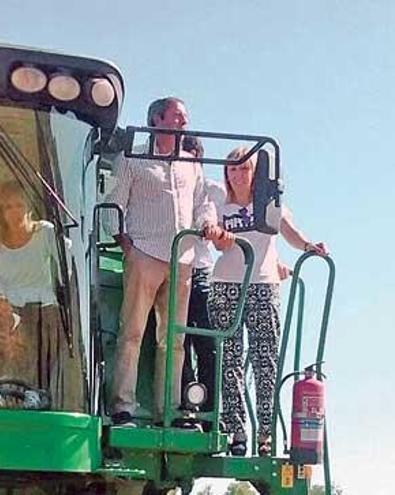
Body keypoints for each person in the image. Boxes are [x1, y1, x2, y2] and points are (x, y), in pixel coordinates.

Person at [104, 97, 232, 427]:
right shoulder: (132, 158)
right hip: (145, 255)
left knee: (174, 339)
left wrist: (207, 224)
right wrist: (128, 247)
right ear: (156, 120)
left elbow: (203, 203)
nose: (183, 124)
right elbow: (112, 207)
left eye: (184, 118)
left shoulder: (192, 164)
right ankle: (122, 407)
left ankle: (170, 409)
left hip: (183, 259)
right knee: (132, 332)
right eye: (177, 117)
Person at [209, 146, 328, 456]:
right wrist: (219, 237)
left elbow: (288, 232)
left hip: (262, 286)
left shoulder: (270, 205)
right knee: (230, 361)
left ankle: (265, 434)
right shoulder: (219, 203)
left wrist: (307, 246)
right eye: (231, 169)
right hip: (226, 285)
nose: (237, 175)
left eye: (243, 169)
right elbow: (217, 243)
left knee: (266, 362)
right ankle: (236, 432)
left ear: (255, 172)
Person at [0, 181, 81, 410]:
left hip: (43, 303)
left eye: (19, 205)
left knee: (46, 325)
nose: (15, 213)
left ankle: (34, 391)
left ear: (30, 207)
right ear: (1, 212)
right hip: (7, 304)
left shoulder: (45, 232)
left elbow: (69, 265)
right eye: (8, 207)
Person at [179, 136, 226, 417]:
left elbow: (233, 223)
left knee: (207, 340)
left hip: (200, 270)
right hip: (171, 268)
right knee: (177, 342)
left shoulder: (213, 191)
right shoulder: (166, 187)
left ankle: (210, 412)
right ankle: (186, 403)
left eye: (191, 155)